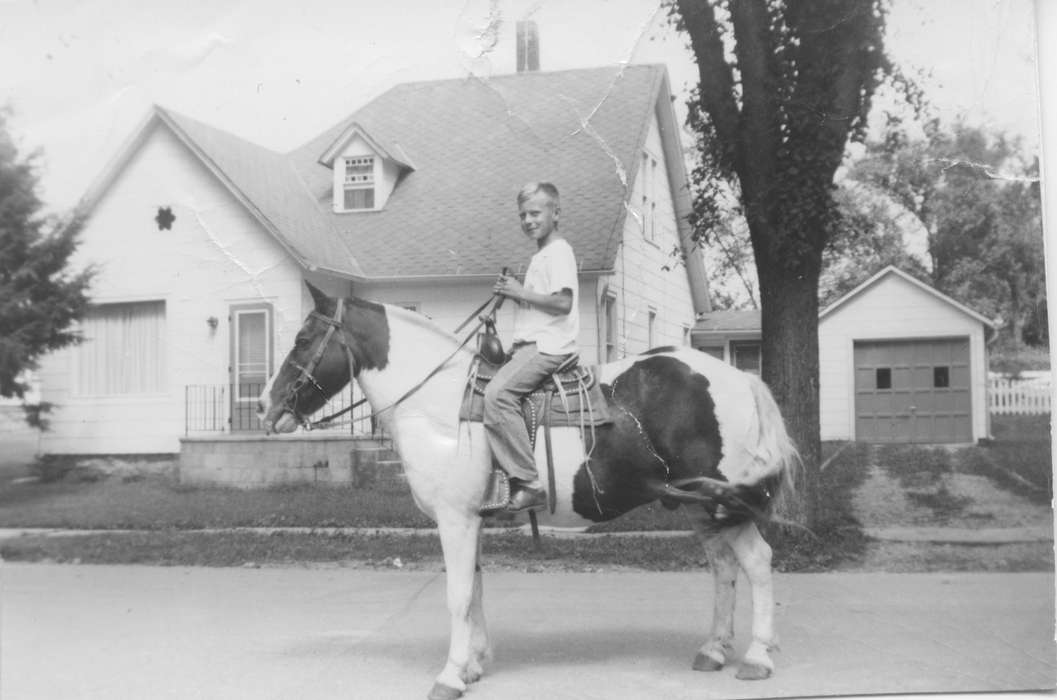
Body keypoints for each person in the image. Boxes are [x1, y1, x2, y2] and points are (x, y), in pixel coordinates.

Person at [484, 182, 580, 512]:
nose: (528, 220)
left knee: (498, 396)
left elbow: (564, 302)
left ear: (556, 213)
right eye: (523, 215)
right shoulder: (541, 255)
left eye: (535, 213)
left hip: (550, 346)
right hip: (531, 344)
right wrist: (510, 295)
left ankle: (528, 482)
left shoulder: (559, 252)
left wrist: (520, 292)